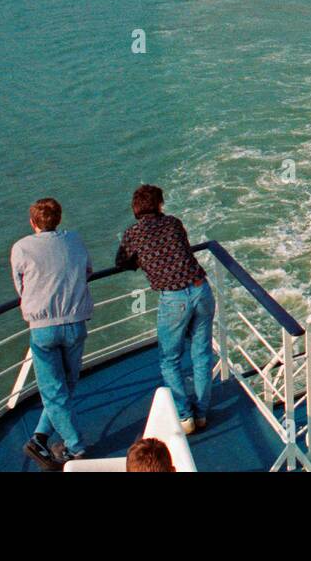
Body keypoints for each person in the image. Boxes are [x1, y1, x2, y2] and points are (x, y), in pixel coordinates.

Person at [116, 185, 216, 435]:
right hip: (200, 289)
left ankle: (185, 416)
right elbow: (183, 245)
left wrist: (140, 260)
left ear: (135, 208)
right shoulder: (173, 223)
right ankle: (202, 413)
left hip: (174, 299)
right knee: (201, 354)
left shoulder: (133, 234)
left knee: (170, 360)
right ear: (160, 205)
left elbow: (121, 262)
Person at [11, 197, 94, 470]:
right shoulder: (75, 240)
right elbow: (88, 271)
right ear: (59, 219)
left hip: (43, 329)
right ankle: (40, 437)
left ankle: (75, 448)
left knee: (55, 392)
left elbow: (20, 287)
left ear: (33, 222)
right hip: (75, 322)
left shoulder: (21, 247)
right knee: (67, 385)